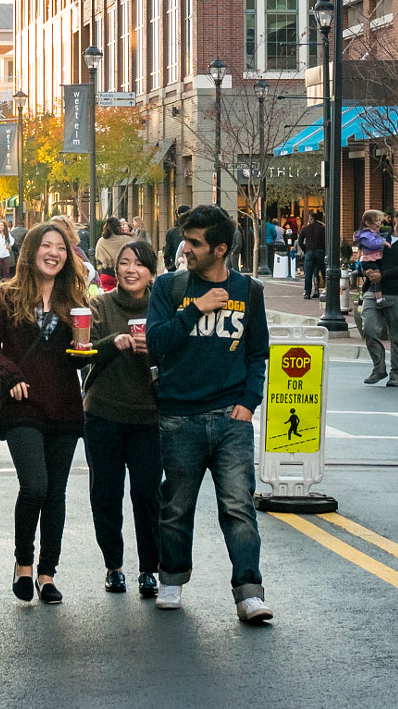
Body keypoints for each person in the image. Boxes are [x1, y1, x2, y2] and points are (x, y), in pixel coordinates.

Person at [145, 204, 272, 624]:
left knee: (238, 508)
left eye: (196, 242)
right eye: (186, 239)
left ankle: (249, 593)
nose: (186, 248)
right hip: (179, 416)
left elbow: (257, 354)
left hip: (230, 417)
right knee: (176, 506)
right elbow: (157, 343)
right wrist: (196, 308)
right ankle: (172, 579)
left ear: (220, 248)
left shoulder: (249, 291)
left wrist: (248, 403)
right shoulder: (169, 287)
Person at [0, 220, 89, 606]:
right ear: (31, 251)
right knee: (35, 487)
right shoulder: (8, 294)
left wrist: (89, 351)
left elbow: (79, 355)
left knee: (56, 494)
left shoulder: (75, 298)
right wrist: (10, 374)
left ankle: (47, 574)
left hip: (64, 403)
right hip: (22, 405)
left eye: (61, 248)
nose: (54, 253)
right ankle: (23, 563)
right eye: (47, 246)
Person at [85, 238, 161, 599]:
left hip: (149, 417)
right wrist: (112, 341)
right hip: (103, 414)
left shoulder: (163, 309)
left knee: (148, 495)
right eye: (125, 263)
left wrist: (156, 348)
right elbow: (81, 354)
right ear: (115, 269)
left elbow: (179, 354)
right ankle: (113, 566)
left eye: (140, 264)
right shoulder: (98, 305)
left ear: (151, 272)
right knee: (106, 493)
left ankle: (150, 570)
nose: (132, 270)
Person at [358, 209, 398, 388]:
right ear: (396, 221)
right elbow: (365, 256)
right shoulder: (378, 237)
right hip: (373, 289)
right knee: (368, 328)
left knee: (396, 335)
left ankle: (397, 374)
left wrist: (382, 275)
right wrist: (367, 271)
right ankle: (379, 368)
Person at [298, 211, 327, 299]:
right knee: (322, 272)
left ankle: (307, 293)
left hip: (309, 252)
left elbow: (300, 241)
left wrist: (305, 249)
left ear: (311, 219)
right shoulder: (322, 229)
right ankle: (325, 291)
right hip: (319, 252)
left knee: (308, 274)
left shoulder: (305, 229)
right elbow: (326, 241)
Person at [92, 217, 129, 284]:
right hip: (124, 273)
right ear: (118, 227)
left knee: (107, 294)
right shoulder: (127, 239)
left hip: (107, 273)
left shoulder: (101, 241)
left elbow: (97, 257)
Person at [162, 207, 188, 273]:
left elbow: (167, 252)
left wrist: (168, 266)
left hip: (175, 267)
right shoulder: (194, 231)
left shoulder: (171, 233)